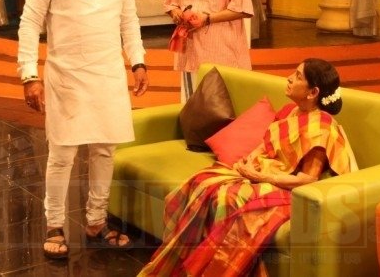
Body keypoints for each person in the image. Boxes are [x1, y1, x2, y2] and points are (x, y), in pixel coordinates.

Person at [138, 58, 358, 276]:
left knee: (226, 198)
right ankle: (186, 262)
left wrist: (260, 177)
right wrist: (249, 160)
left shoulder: (321, 127)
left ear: (313, 92)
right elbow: (266, 144)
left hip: (288, 189)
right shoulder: (290, 111)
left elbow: (308, 179)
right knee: (201, 182)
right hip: (262, 172)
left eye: (298, 77)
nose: (290, 78)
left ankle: (212, 268)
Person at [17, 0, 149, 259]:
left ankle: (96, 221)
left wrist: (138, 60)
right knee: (62, 153)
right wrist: (29, 74)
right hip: (67, 76)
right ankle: (54, 225)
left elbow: (129, 20)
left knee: (105, 150)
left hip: (108, 74)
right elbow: (30, 23)